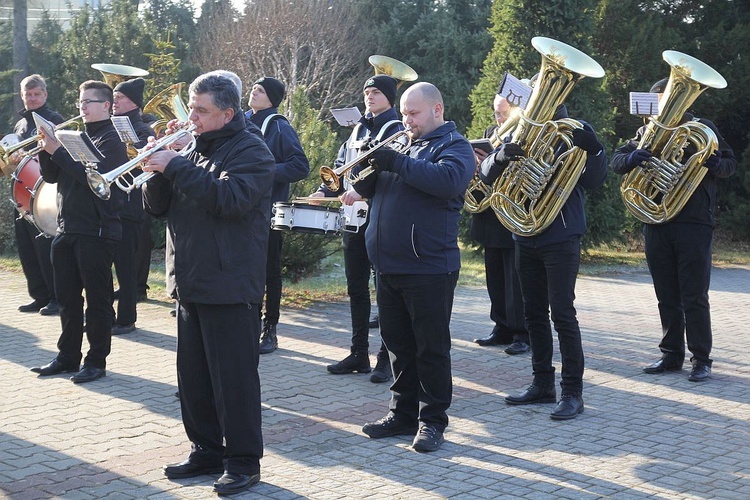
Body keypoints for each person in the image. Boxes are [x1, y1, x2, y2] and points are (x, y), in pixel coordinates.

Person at [141, 73, 274, 495]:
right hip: (191, 281)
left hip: (230, 283)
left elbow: (228, 200)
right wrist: (157, 169)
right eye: (191, 108)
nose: (190, 117)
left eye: (200, 111)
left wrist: (175, 165)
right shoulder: (194, 147)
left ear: (227, 113)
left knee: (233, 379)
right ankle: (206, 450)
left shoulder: (253, 150)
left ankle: (243, 461)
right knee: (193, 377)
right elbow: (158, 208)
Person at [356, 82, 474, 452]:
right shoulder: (402, 144)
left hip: (428, 266)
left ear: (436, 110)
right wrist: (370, 174)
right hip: (388, 264)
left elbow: (447, 181)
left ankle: (432, 420)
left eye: (414, 113)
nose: (406, 120)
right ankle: (401, 413)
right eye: (404, 113)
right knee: (398, 347)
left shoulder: (455, 146)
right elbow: (375, 190)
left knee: (431, 349)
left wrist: (397, 162)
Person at [610, 78, 736, 382]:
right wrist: (631, 158)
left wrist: (717, 164)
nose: (664, 108)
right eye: (660, 103)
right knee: (666, 294)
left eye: (670, 101)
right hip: (656, 221)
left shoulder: (702, 128)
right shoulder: (646, 133)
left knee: (694, 295)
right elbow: (615, 161)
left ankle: (701, 359)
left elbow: (731, 164)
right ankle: (671, 355)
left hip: (693, 222)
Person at [486, 103, 607, 420]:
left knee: (563, 314)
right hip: (524, 234)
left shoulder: (573, 130)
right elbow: (485, 173)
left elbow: (594, 181)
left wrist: (594, 151)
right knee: (533, 314)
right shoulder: (520, 129)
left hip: (561, 236)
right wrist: (500, 156)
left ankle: (572, 393)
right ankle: (542, 384)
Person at [31, 80, 127, 384]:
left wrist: (58, 150)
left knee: (98, 302)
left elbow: (92, 178)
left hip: (96, 232)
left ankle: (96, 360)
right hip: (68, 228)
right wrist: (47, 150)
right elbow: (52, 176)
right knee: (68, 300)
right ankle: (67, 356)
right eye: (80, 102)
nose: (81, 107)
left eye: (88, 102)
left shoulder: (112, 141)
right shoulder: (80, 136)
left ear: (106, 107)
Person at [313, 75, 402, 383]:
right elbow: (341, 166)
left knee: (385, 292)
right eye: (366, 92)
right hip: (353, 218)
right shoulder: (358, 129)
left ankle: (385, 358)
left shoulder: (397, 129)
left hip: (381, 217)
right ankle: (358, 353)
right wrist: (323, 192)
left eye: (376, 92)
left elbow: (387, 172)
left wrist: (363, 191)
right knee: (356, 288)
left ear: (390, 97)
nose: (369, 97)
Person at [245, 76, 310, 354]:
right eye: (252, 87)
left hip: (269, 212)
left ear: (272, 98)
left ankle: (269, 330)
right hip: (241, 209)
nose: (253, 92)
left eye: (259, 90)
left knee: (269, 272)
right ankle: (246, 325)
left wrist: (265, 171)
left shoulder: (279, 126)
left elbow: (299, 166)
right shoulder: (242, 121)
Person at [471, 92, 529, 355]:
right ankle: (501, 326)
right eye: (497, 113)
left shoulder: (525, 135)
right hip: (490, 214)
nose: (500, 118)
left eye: (505, 112)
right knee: (494, 274)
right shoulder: (489, 133)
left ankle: (522, 332)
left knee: (515, 278)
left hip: (513, 211)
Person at [11, 74, 63, 316]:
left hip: (45, 192)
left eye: (36, 94)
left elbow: (58, 155)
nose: (32, 98)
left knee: (47, 247)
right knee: (27, 247)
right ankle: (39, 295)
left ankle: (57, 297)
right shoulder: (20, 125)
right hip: (22, 191)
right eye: (28, 95)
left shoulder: (54, 120)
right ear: (22, 96)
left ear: (45, 95)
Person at [111, 77, 157, 335]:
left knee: (126, 268)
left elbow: (142, 163)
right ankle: (106, 315)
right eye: (114, 97)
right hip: (110, 205)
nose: (114, 102)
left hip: (130, 206)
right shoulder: (110, 126)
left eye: (119, 98)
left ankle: (126, 319)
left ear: (134, 103)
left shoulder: (145, 131)